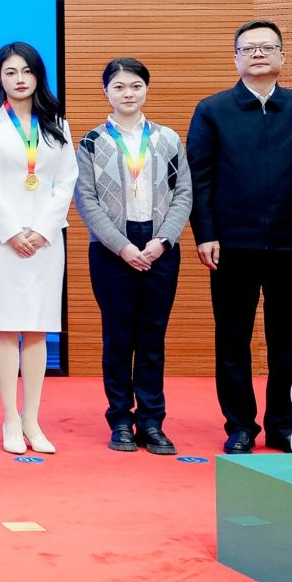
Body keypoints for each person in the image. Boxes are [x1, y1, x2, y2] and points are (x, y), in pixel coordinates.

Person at [189, 20, 292, 454]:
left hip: (291, 243)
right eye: (248, 48)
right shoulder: (212, 110)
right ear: (235, 58)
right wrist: (206, 233)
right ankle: (239, 427)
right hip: (231, 245)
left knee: (287, 342)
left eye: (267, 47)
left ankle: (285, 427)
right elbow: (200, 178)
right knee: (232, 340)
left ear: (282, 57)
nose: (257, 53)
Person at [74, 57, 191, 456]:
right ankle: (121, 420)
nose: (128, 93)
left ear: (146, 89)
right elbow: (86, 200)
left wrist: (164, 240)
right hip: (112, 248)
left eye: (136, 85)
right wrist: (121, 246)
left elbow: (183, 194)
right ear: (106, 91)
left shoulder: (168, 139)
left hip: (159, 246)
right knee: (118, 337)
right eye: (119, 86)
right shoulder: (92, 142)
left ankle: (152, 422)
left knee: (153, 337)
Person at [0, 42, 77, 455]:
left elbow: (66, 181)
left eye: (27, 71)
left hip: (45, 240)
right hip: (0, 239)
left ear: (38, 76)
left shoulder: (57, 124)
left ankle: (32, 418)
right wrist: (13, 232)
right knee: (5, 325)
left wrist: (42, 230)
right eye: (11, 72)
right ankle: (10, 418)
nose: (19, 79)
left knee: (37, 327)